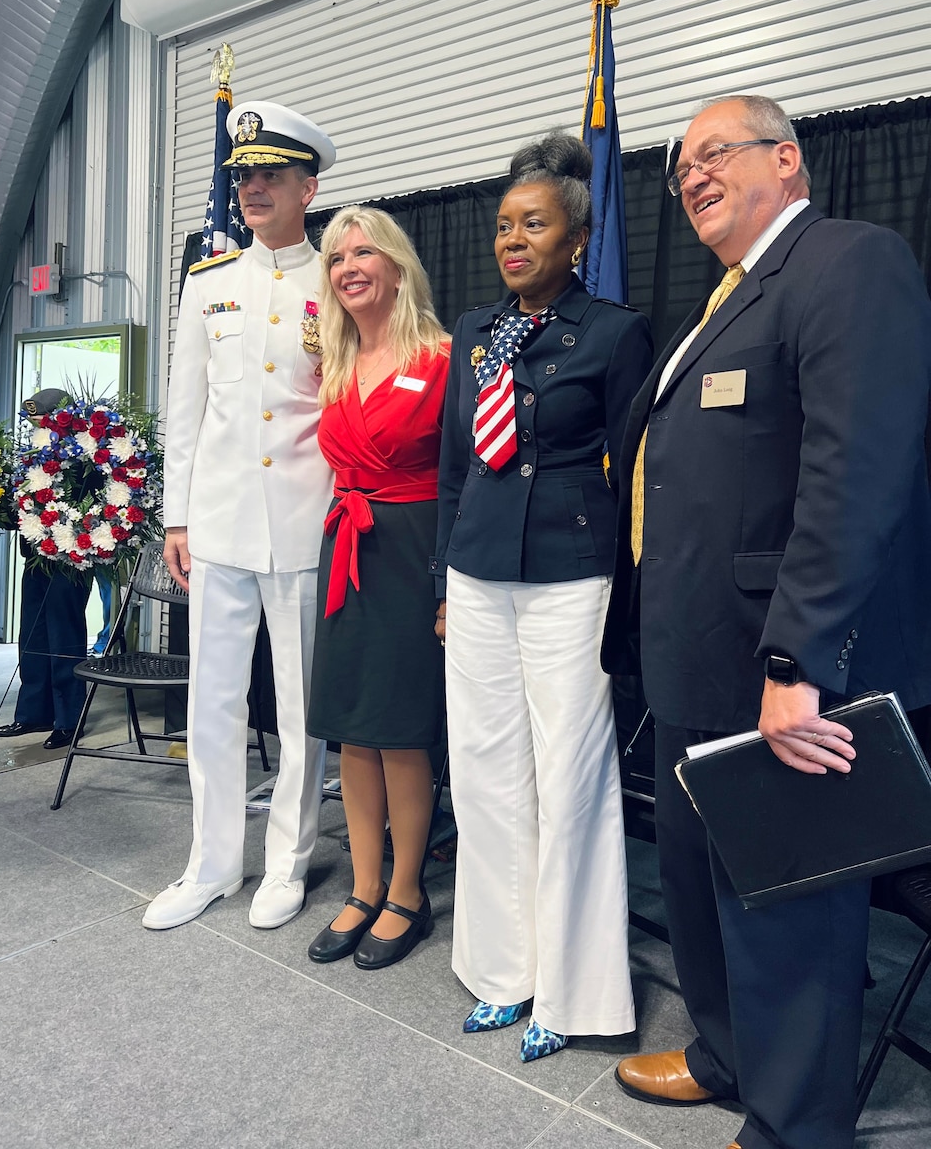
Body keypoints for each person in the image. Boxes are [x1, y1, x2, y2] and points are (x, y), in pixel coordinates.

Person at [603, 94, 931, 1149]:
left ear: (785, 160)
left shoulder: (847, 263)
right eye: (679, 167)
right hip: (697, 660)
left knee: (786, 905)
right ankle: (727, 1054)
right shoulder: (725, 301)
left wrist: (799, 655)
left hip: (784, 665)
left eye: (713, 153)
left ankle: (795, 1125)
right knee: (701, 883)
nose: (690, 175)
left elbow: (854, 475)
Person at [434, 133, 653, 1061]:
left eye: (534, 224)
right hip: (478, 569)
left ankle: (572, 989)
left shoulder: (615, 331)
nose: (512, 240)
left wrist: (632, 592)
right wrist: (445, 577)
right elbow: (453, 467)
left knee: (569, 777)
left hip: (573, 570)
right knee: (484, 774)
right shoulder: (477, 332)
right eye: (503, 226)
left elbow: (642, 467)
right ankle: (502, 971)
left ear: (576, 237)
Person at [144, 101, 337, 932]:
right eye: (243, 176)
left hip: (302, 520)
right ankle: (212, 862)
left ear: (308, 186)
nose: (252, 189)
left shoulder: (340, 277)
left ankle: (287, 864)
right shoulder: (209, 284)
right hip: (218, 524)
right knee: (211, 701)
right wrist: (175, 517)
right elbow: (185, 408)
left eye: (270, 175)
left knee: (298, 707)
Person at [305, 207, 449, 970]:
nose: (349, 266)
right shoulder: (332, 361)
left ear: (397, 265)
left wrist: (449, 583)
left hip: (412, 549)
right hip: (348, 547)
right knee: (353, 727)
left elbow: (462, 479)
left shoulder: (445, 357)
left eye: (364, 251)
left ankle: (406, 893)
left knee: (400, 731)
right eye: (335, 256)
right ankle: (361, 888)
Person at [0, 388, 93, 750]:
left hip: (69, 560)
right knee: (33, 637)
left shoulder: (85, 456)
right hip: (35, 556)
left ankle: (69, 719)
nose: (37, 429)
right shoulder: (33, 456)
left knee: (63, 638)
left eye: (43, 422)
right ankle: (34, 712)